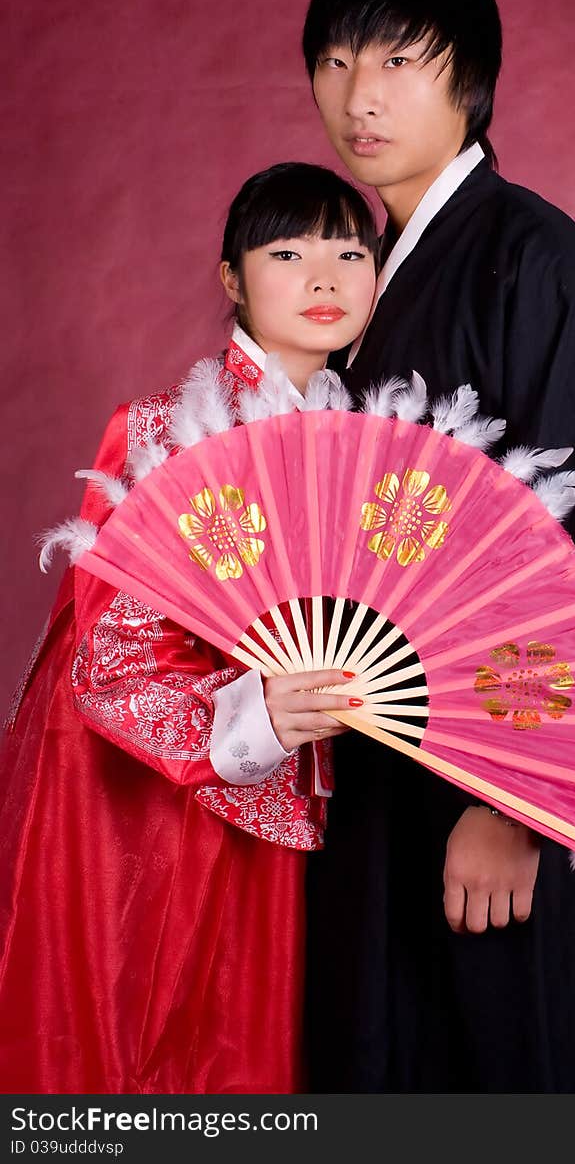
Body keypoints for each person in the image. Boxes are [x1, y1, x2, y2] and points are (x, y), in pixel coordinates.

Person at [301, 0, 575, 1092]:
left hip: (489, 780)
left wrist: (515, 802)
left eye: (400, 59)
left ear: (469, 83)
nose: (362, 96)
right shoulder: (356, 286)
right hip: (374, 762)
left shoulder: (534, 261)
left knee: (504, 1067)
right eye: (339, 61)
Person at [0, 162, 378, 1093]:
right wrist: (259, 713)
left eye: (350, 251)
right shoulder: (166, 432)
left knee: (242, 1055)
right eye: (288, 252)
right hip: (138, 800)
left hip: (275, 799)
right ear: (231, 279)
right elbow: (112, 661)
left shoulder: (370, 444)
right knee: (138, 1048)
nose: (325, 278)